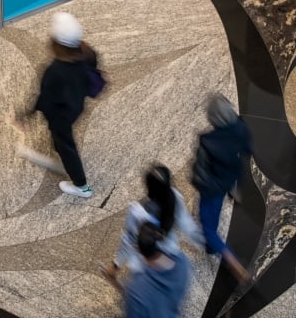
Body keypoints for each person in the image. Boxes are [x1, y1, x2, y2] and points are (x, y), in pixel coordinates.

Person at [16, 12, 96, 198]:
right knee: (61, 143)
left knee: (67, 146)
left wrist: (26, 115)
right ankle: (59, 149)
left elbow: (44, 99)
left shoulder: (54, 71)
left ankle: (82, 186)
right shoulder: (87, 55)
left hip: (61, 117)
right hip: (76, 106)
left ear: (54, 44)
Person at [191, 94, 252, 284]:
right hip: (228, 181)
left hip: (211, 189)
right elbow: (247, 151)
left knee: (207, 227)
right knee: (214, 215)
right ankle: (211, 246)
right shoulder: (241, 129)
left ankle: (232, 261)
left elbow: (200, 175)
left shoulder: (207, 142)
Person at [104, 164, 204, 278]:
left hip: (147, 260)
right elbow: (186, 224)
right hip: (170, 253)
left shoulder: (138, 212)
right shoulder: (175, 197)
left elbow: (129, 239)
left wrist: (116, 265)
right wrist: (203, 241)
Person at [102, 221, 191, 318]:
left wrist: (114, 281)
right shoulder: (182, 261)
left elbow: (135, 301)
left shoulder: (137, 288)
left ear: (138, 249)